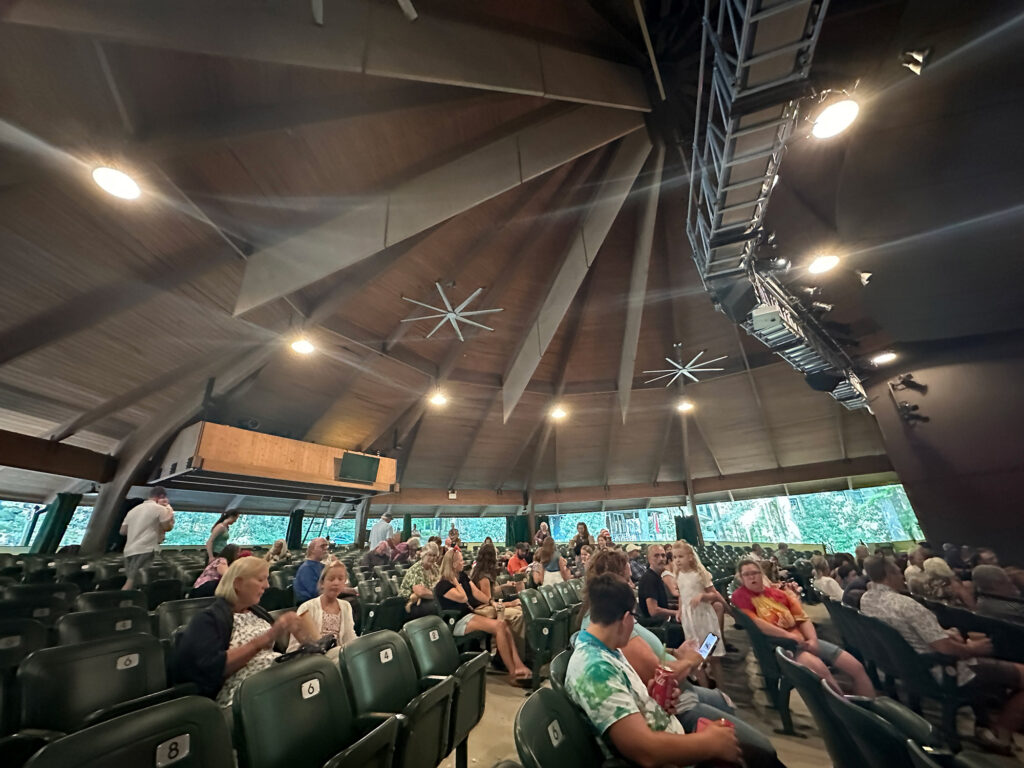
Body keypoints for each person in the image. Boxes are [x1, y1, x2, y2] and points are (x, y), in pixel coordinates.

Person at [566, 573, 741, 768]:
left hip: (671, 736)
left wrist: (652, 699)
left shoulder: (608, 649)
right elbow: (646, 751)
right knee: (758, 752)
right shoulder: (595, 670)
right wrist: (709, 743)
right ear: (626, 619)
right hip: (668, 756)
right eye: (635, 618)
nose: (634, 624)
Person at [861, 556, 1024, 754]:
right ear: (889, 574)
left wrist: (949, 636)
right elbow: (945, 649)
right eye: (897, 570)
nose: (901, 575)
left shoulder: (867, 599)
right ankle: (999, 733)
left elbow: (917, 635)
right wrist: (973, 649)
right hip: (945, 671)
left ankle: (989, 723)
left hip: (911, 668)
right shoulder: (905, 605)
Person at [731, 558, 874, 698]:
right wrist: (790, 636)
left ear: (761, 574)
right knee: (827, 680)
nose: (752, 577)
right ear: (741, 578)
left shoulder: (778, 594)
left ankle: (872, 714)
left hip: (803, 639)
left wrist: (812, 640)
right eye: (747, 574)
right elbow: (758, 624)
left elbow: (802, 618)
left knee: (857, 667)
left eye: (755, 572)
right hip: (783, 646)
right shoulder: (740, 596)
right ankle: (849, 715)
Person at [174, 557, 306, 706]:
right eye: (261, 579)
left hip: (276, 682)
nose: (267, 586)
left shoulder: (257, 612)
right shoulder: (208, 619)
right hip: (242, 697)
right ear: (238, 583)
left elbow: (277, 651)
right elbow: (213, 668)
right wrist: (264, 639)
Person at [434, 548, 530, 685]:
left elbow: (476, 593)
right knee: (499, 626)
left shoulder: (463, 576)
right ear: (453, 564)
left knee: (504, 625)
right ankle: (513, 672)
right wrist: (455, 582)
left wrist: (491, 602)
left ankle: (518, 664)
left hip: (469, 616)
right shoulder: (443, 585)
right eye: (461, 560)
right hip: (456, 622)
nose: (464, 562)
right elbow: (463, 597)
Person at [664, 541, 726, 686]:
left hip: (704, 619)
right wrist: (680, 610)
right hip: (689, 620)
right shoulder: (678, 575)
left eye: (681, 556)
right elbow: (681, 596)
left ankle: (723, 691)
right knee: (695, 655)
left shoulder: (700, 574)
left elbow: (714, 594)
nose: (677, 560)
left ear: (690, 557)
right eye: (674, 557)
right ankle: (704, 686)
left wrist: (702, 597)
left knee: (712, 654)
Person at [288, 561, 357, 658]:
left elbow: (350, 638)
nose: (336, 583)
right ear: (322, 583)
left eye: (340, 579)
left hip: (339, 656)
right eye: (331, 579)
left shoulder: (346, 606)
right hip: (313, 658)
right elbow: (295, 647)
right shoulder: (307, 608)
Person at [471, 541, 525, 656]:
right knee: (518, 616)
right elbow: (489, 602)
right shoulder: (483, 577)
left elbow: (490, 592)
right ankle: (515, 653)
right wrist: (511, 603)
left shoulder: (484, 573)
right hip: (483, 609)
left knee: (521, 610)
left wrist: (505, 586)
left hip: (490, 606)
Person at [119, 486, 175, 590]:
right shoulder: (161, 509)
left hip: (129, 550)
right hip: (145, 548)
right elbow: (167, 527)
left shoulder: (133, 510)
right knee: (133, 582)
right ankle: (124, 602)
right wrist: (170, 512)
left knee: (131, 579)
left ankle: (126, 603)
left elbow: (122, 531)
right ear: (161, 496)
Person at [637, 545, 682, 647]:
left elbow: (662, 604)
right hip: (658, 626)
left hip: (663, 621)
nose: (661, 559)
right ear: (649, 559)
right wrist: (676, 612)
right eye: (656, 556)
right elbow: (654, 611)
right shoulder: (649, 579)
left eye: (663, 555)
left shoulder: (656, 577)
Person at [400, 541, 441, 618]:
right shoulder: (416, 569)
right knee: (438, 607)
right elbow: (420, 592)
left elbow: (441, 584)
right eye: (430, 555)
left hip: (427, 600)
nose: (432, 558)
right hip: (411, 604)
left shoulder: (435, 568)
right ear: (423, 555)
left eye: (435, 555)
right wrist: (439, 596)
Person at [293, 537, 329, 603]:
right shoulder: (306, 569)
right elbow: (317, 593)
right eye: (322, 546)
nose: (326, 549)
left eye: (326, 547)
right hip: (309, 605)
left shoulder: (322, 566)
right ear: (312, 549)